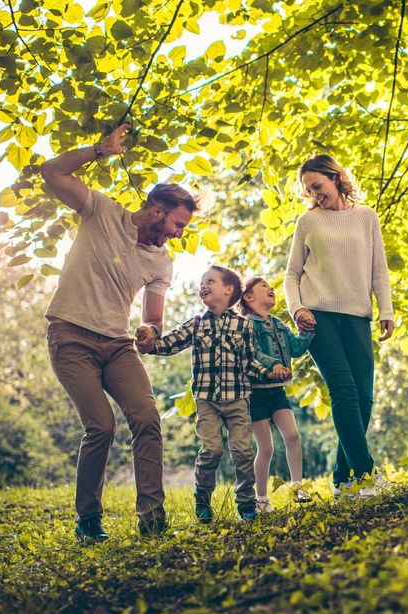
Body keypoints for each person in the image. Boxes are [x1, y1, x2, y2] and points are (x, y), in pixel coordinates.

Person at [41, 123, 199, 542]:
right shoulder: (101, 212)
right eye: (179, 224)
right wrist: (100, 149)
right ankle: (88, 521)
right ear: (158, 210)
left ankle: (152, 517)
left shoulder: (161, 261)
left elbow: (153, 317)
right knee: (102, 426)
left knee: (147, 418)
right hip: (71, 336)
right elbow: (51, 172)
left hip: (117, 345)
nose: (179, 233)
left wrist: (150, 331)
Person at [285, 154, 395, 499]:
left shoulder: (366, 217)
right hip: (317, 317)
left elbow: (379, 269)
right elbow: (291, 274)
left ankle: (342, 480)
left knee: (364, 398)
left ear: (336, 178)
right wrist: (296, 308)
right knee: (344, 391)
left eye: (318, 186)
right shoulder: (308, 222)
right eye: (308, 190)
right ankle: (366, 476)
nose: (314, 194)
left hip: (357, 316)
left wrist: (386, 310)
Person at [137, 266, 280, 522]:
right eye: (202, 282)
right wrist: (149, 344)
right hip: (207, 400)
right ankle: (202, 499)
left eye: (210, 281)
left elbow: (249, 362)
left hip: (237, 399)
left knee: (243, 452)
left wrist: (268, 372)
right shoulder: (196, 323)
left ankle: (246, 504)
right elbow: (170, 343)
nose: (203, 285)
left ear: (228, 290)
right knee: (211, 450)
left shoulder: (243, 325)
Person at [237, 275, 315, 513]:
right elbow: (255, 354)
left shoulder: (279, 324)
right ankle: (261, 499)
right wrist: (273, 366)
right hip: (256, 394)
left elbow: (296, 348)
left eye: (271, 287)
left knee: (292, 436)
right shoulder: (248, 326)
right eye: (264, 287)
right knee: (266, 448)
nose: (271, 289)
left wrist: (308, 331)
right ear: (248, 297)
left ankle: (297, 487)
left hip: (277, 393)